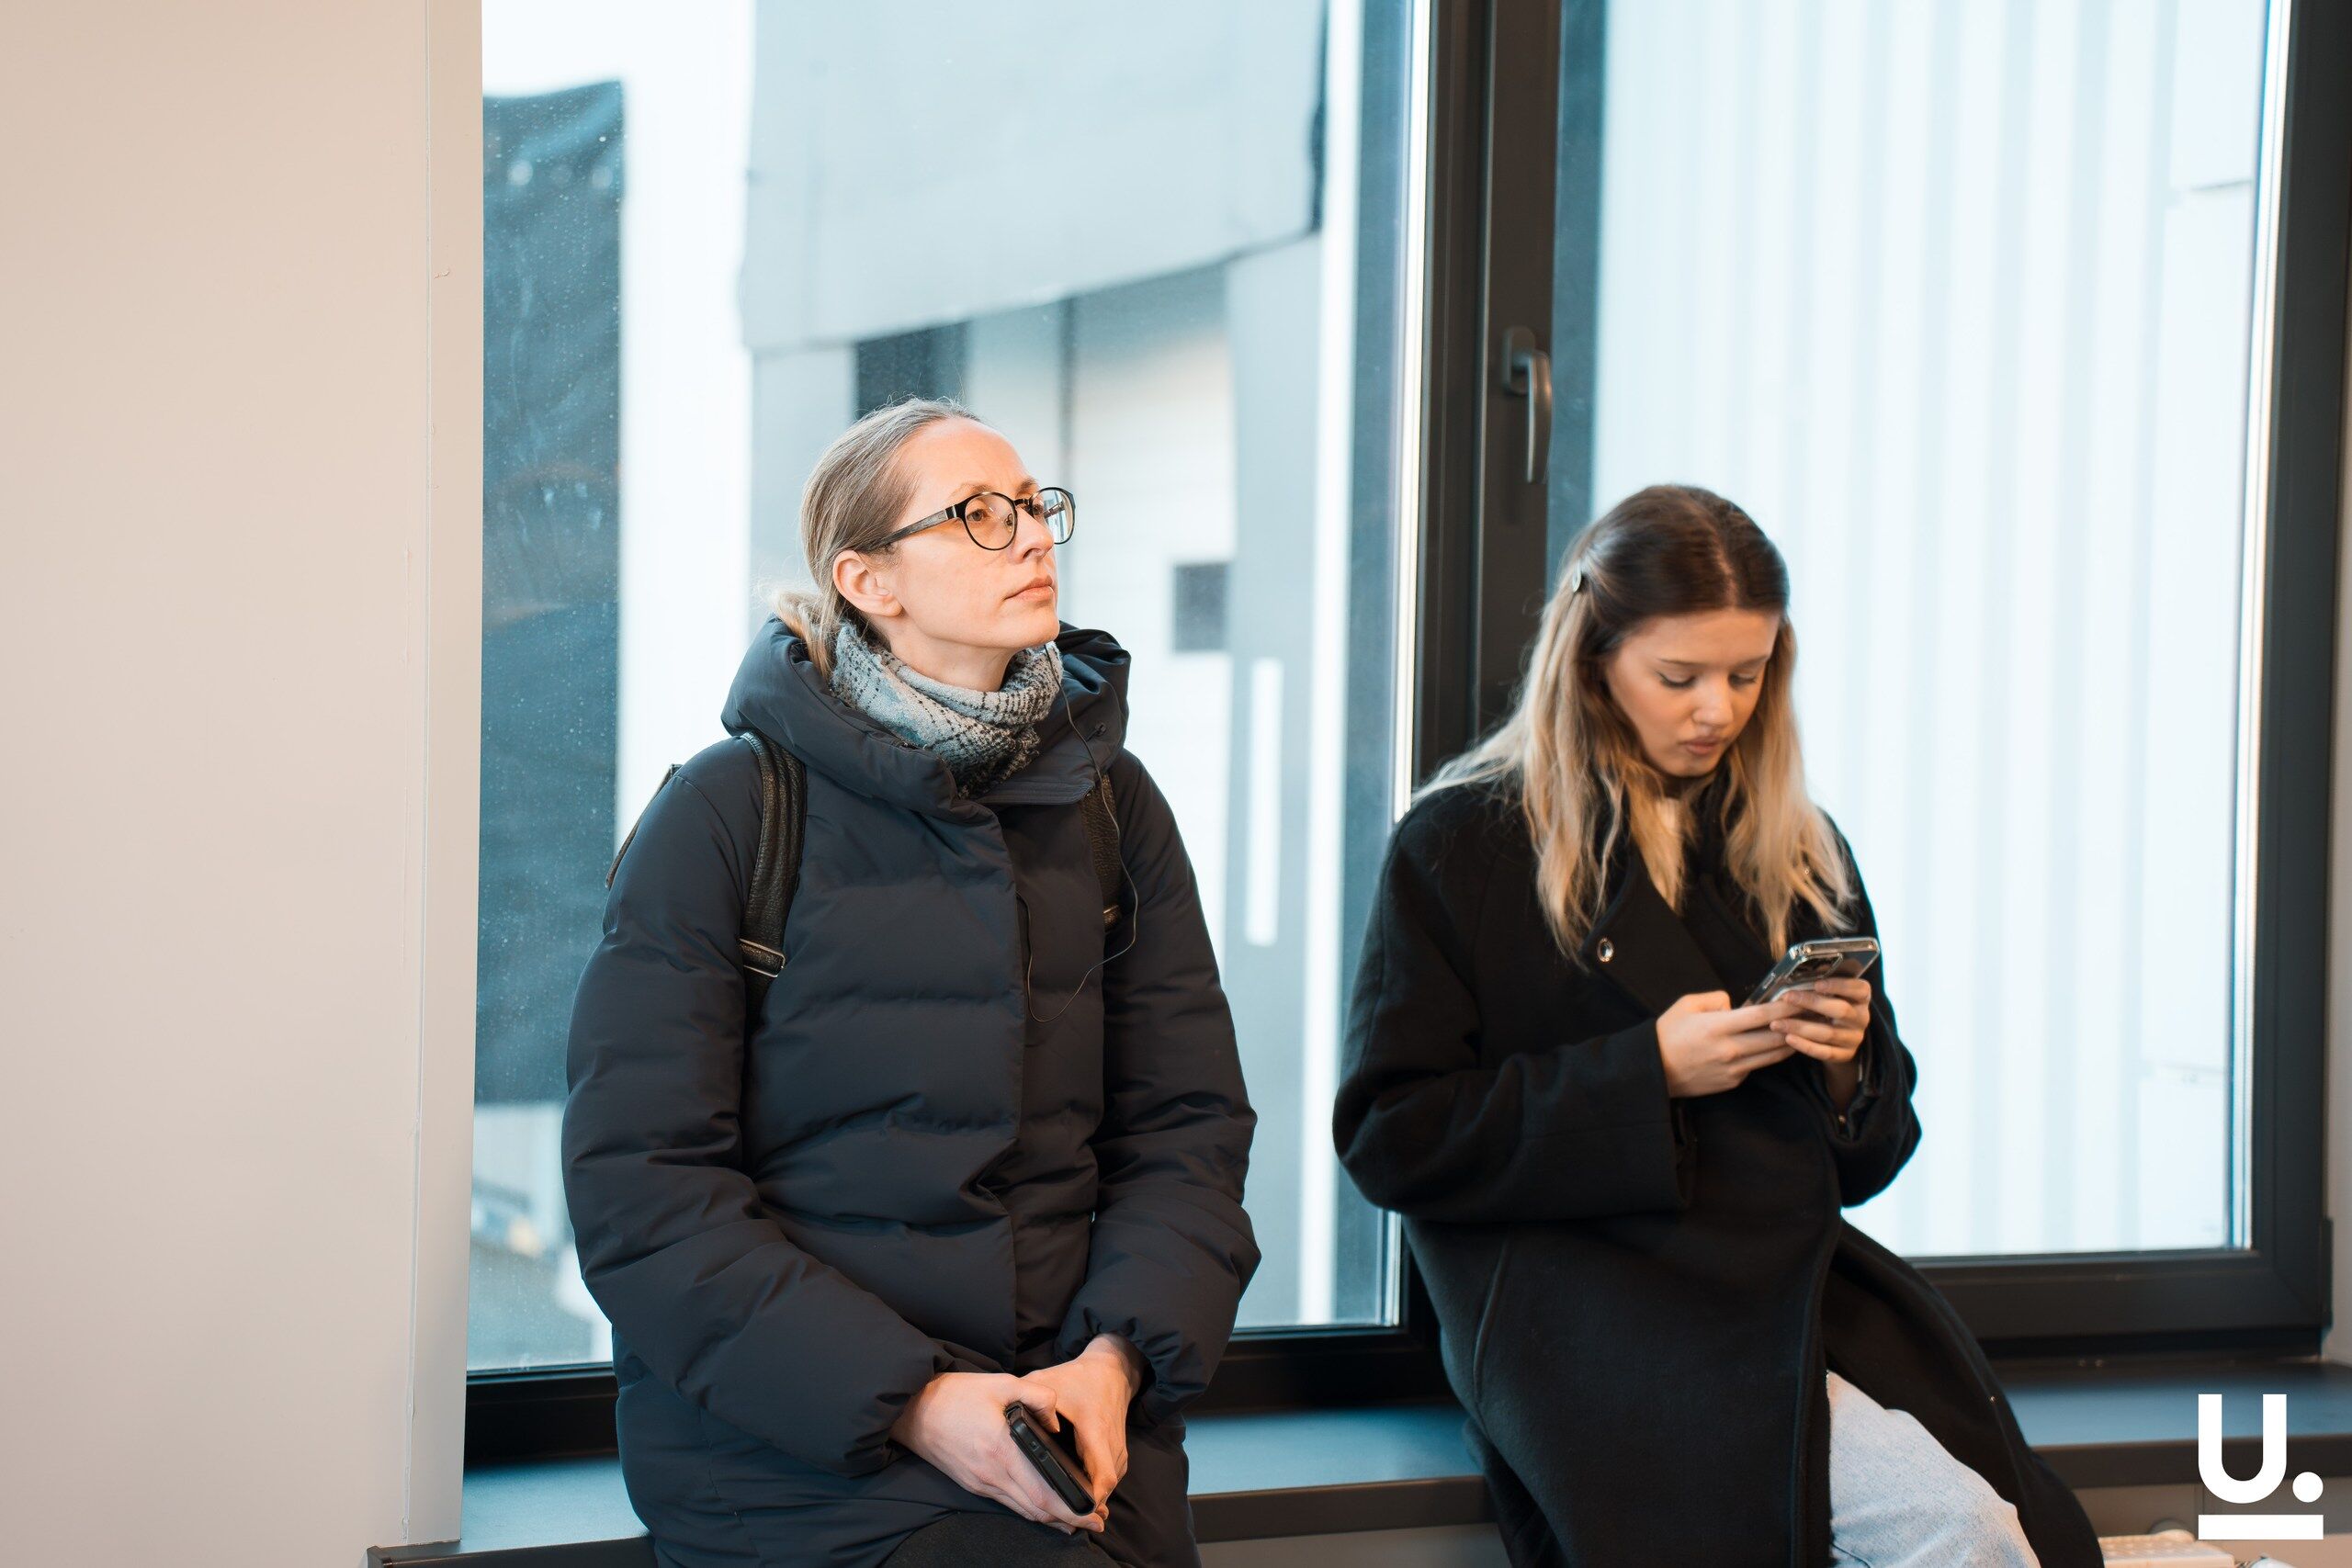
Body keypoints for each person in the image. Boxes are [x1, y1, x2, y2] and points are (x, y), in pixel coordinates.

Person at [1332, 484, 2102, 1567]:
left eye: (1748, 675)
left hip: (1786, 1302)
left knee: (1996, 1525)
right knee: (1958, 1530)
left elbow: (1873, 1158)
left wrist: (1845, 1068)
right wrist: (1644, 1074)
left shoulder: (1795, 845)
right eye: (1679, 676)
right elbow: (1392, 1136)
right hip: (1586, 1317)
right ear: (1592, 657)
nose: (1717, 710)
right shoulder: (1466, 843)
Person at [563, 397, 1260, 1568]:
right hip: (797, 1454)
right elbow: (644, 1193)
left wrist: (1112, 1364)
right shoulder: (730, 812)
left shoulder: (1111, 804)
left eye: (1033, 505)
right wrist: (919, 1404)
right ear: (867, 580)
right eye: (979, 514)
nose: (1030, 535)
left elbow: (1185, 1133)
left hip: (1075, 1431)